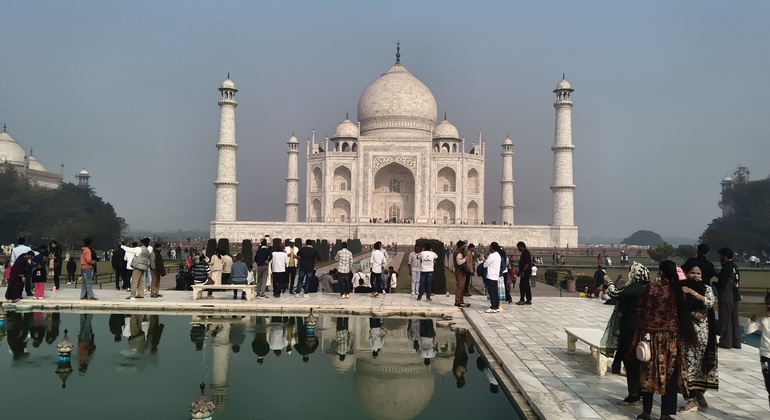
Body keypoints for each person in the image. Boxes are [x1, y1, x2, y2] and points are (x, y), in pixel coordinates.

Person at [633, 260, 698, 420]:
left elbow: (641, 310)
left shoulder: (651, 288)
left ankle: (647, 412)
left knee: (649, 374)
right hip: (671, 339)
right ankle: (665, 414)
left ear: (661, 272)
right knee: (669, 375)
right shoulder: (677, 290)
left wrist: (642, 329)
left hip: (652, 337)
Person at [601, 262, 650, 406]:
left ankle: (633, 395)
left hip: (631, 327)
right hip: (641, 327)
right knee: (639, 360)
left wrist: (609, 281)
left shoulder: (635, 287)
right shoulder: (647, 287)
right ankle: (639, 392)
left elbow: (615, 293)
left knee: (630, 359)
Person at [678, 264, 718, 412]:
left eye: (698, 273)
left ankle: (697, 394)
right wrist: (693, 314)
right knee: (686, 365)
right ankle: (690, 398)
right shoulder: (680, 287)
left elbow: (709, 302)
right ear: (687, 274)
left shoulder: (706, 288)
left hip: (702, 333)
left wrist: (693, 293)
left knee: (699, 364)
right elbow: (678, 307)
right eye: (692, 273)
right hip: (685, 332)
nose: (695, 276)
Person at [745, 293, 770, 410]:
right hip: (766, 355)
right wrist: (754, 317)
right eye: (768, 304)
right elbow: (748, 331)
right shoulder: (764, 318)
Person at [715, 247, 741, 349]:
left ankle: (725, 342)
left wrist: (715, 284)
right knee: (734, 320)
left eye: (721, 256)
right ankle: (736, 342)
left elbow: (723, 283)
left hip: (726, 296)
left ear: (725, 256)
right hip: (735, 295)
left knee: (725, 319)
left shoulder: (726, 267)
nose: (720, 257)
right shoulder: (734, 266)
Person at [482, 242, 502, 313]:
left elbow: (485, 265)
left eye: (490, 247)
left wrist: (484, 261)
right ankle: (496, 306)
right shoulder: (498, 255)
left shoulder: (492, 255)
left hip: (490, 276)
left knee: (491, 292)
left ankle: (493, 307)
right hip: (495, 276)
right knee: (495, 292)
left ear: (492, 247)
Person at [453, 241, 471, 307]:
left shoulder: (458, 252)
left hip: (460, 272)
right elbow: (459, 262)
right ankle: (457, 301)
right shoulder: (459, 253)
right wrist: (465, 259)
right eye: (464, 246)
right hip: (460, 272)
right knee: (460, 287)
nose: (465, 247)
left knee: (462, 287)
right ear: (460, 246)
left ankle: (461, 301)